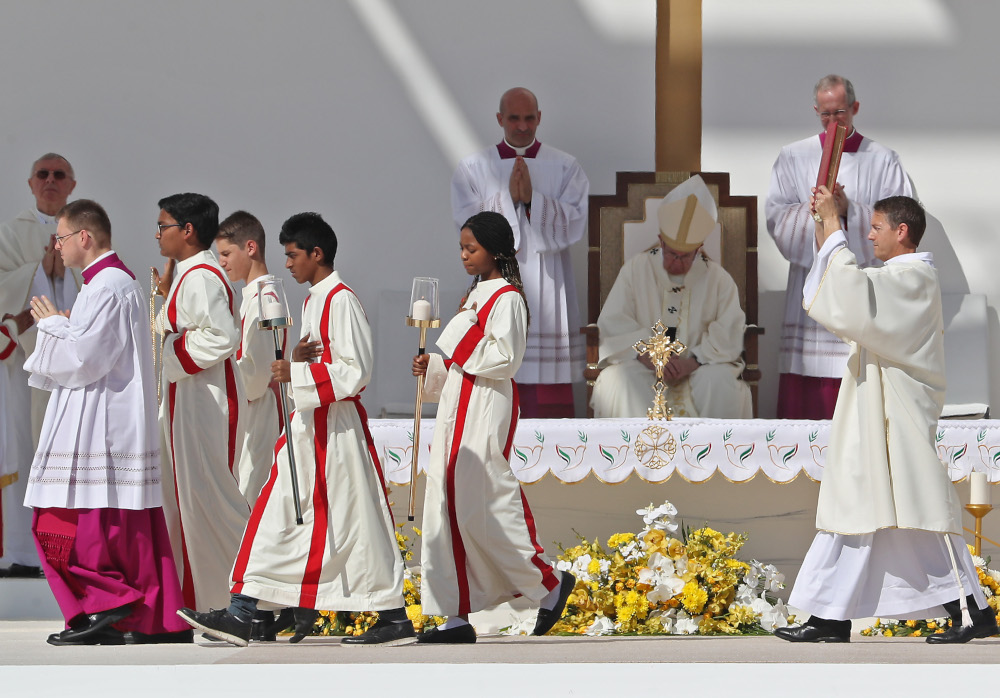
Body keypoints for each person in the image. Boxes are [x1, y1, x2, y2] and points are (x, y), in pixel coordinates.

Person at [178, 212, 414, 647]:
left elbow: (356, 371)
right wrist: (301, 363)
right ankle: (248, 611)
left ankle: (389, 615)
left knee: (354, 521)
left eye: (293, 256)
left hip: (335, 431)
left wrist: (296, 372)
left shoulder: (341, 299)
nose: (286, 265)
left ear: (317, 254)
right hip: (309, 427)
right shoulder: (314, 299)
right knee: (281, 515)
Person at [775, 193, 997, 644]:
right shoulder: (894, 278)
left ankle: (972, 612)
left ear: (902, 231)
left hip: (897, 414)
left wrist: (834, 222)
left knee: (910, 514)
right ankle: (832, 619)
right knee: (867, 511)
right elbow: (843, 291)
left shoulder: (914, 278)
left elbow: (851, 294)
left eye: (876, 227)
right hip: (875, 412)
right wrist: (824, 225)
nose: (869, 235)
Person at [23, 199, 190, 645]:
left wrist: (54, 328)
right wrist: (64, 323)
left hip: (99, 420)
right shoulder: (103, 284)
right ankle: (141, 618)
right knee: (109, 525)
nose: (55, 247)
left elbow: (85, 358)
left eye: (60, 238)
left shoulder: (109, 285)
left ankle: (108, 602)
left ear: (84, 237)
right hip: (92, 413)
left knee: (68, 522)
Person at [413, 211, 575, 644]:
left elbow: (504, 359)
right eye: (462, 248)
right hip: (459, 405)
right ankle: (455, 615)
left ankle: (550, 584)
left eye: (472, 248)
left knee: (485, 502)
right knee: (447, 506)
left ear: (496, 251)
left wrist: (456, 337)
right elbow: (463, 362)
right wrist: (433, 368)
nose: (464, 256)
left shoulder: (506, 298)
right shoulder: (475, 296)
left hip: (484, 407)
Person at [766, 75, 912, 419]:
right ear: (817, 111)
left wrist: (850, 212)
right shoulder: (793, 156)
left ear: (855, 108)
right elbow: (776, 218)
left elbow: (902, 219)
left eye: (841, 113)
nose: (833, 122)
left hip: (862, 287)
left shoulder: (883, 159)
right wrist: (816, 210)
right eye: (826, 115)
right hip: (811, 292)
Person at [452, 87, 589, 418]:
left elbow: (576, 220)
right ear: (500, 119)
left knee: (547, 397)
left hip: (548, 282)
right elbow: (467, 223)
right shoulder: (473, 168)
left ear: (539, 118)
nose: (523, 126)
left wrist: (533, 201)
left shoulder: (565, 166)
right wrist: (507, 199)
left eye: (530, 118)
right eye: (514, 118)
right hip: (496, 282)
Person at [152, 193, 249, 611]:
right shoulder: (190, 275)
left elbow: (223, 337)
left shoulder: (203, 276)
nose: (157, 235)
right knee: (189, 502)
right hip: (188, 401)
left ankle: (252, 600)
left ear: (187, 230)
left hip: (207, 403)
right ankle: (205, 601)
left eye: (163, 226)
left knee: (213, 500)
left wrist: (171, 351)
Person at [590, 175, 752, 419]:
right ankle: (634, 455)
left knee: (721, 383)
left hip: (697, 370)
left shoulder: (718, 279)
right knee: (618, 380)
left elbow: (729, 332)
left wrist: (694, 360)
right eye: (671, 253)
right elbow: (613, 323)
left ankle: (710, 457)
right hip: (644, 366)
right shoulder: (636, 270)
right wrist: (647, 354)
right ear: (661, 241)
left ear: (698, 249)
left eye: (685, 256)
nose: (677, 262)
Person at [0, 153, 80, 577]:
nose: (50, 181)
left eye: (59, 175)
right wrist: (38, 271)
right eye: (43, 174)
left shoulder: (85, 231)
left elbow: (94, 287)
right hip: (25, 362)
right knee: (25, 446)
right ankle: (23, 551)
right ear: (31, 183)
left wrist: (62, 275)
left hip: (72, 368)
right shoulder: (11, 233)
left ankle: (68, 550)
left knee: (68, 452)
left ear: (71, 184)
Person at [215, 211, 287, 507]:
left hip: (260, 416)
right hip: (250, 413)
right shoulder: (251, 296)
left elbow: (256, 378)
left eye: (226, 253)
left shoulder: (267, 299)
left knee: (251, 499)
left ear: (251, 247)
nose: (222, 262)